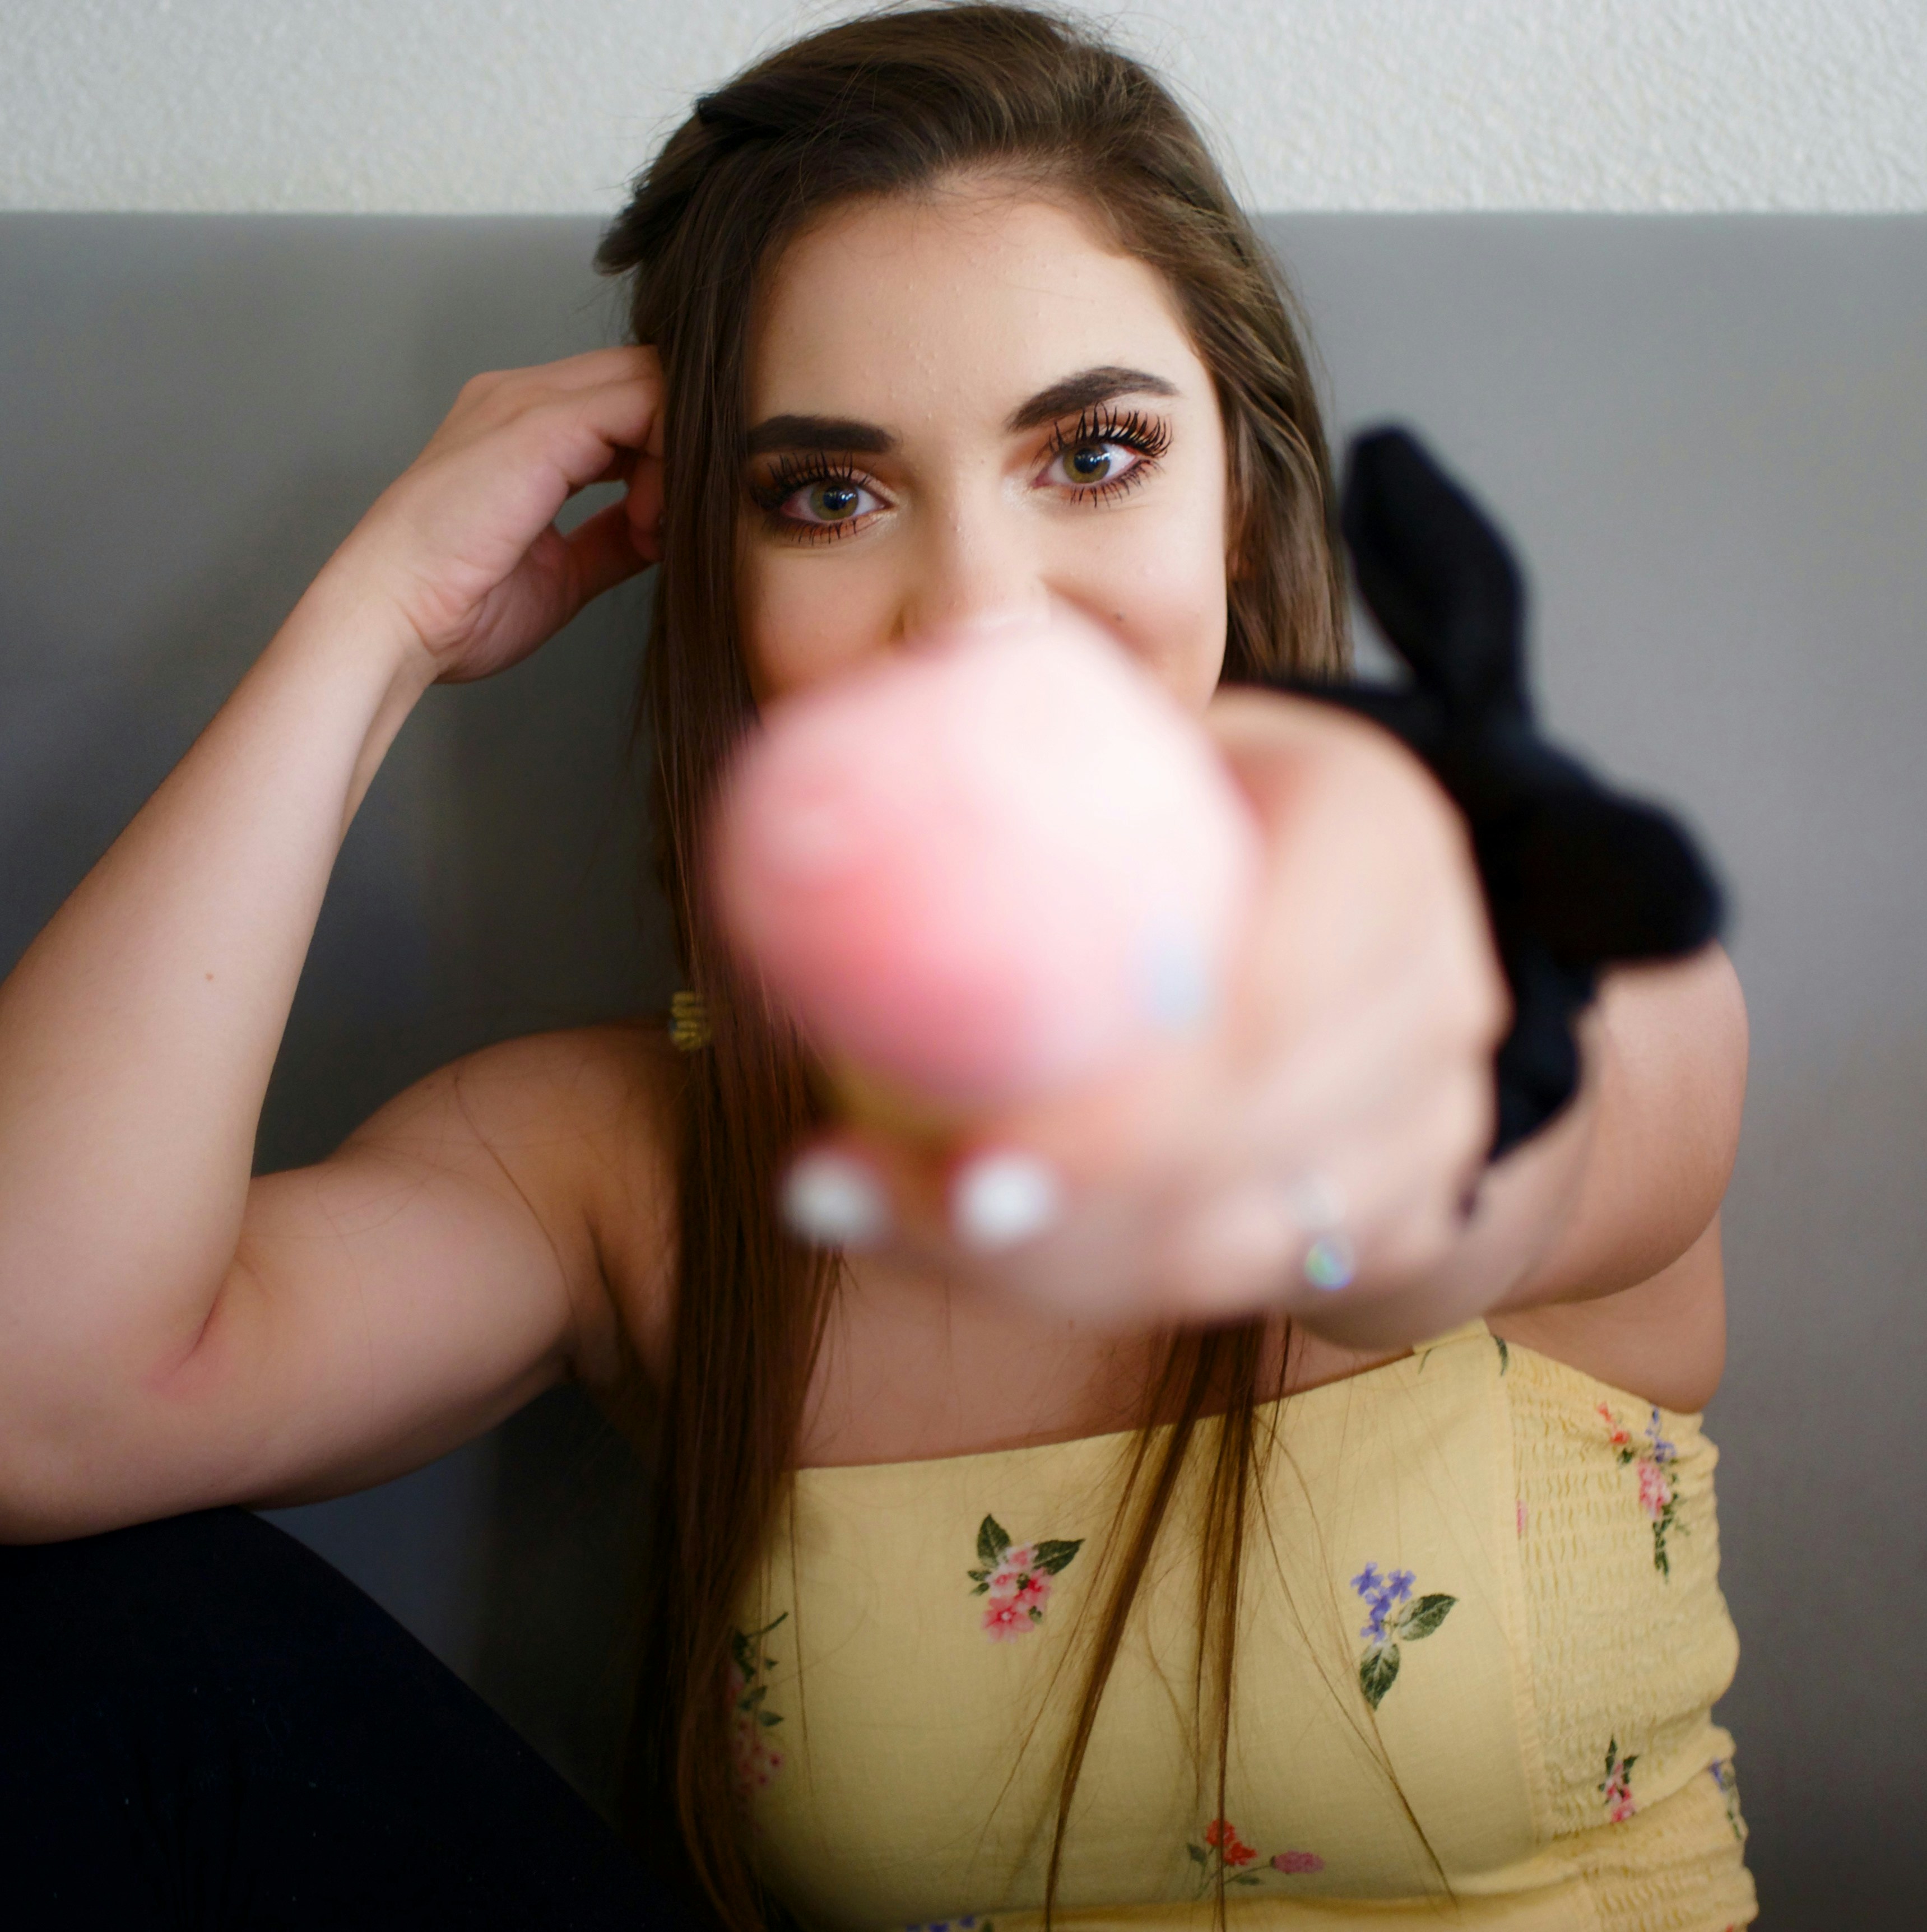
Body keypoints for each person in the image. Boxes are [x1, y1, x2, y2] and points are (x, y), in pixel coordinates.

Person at [0, 5, 1753, 1928]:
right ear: (719, 586)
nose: (979, 614)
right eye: (831, 495)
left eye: (1092, 453)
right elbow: (37, 1407)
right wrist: (375, 630)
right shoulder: (625, 1172)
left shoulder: (1573, 972)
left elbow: (1450, 1202)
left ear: (1235, 501)